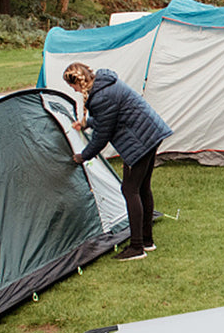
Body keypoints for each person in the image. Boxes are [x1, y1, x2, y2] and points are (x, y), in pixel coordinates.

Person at [63, 63, 173, 261]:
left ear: (78, 82)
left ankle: (137, 247)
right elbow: (109, 119)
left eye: (73, 87)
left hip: (140, 140)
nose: (74, 91)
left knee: (130, 190)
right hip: (152, 133)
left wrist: (83, 156)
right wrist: (86, 123)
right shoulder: (105, 85)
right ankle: (147, 240)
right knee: (142, 188)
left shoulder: (101, 96)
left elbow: (102, 136)